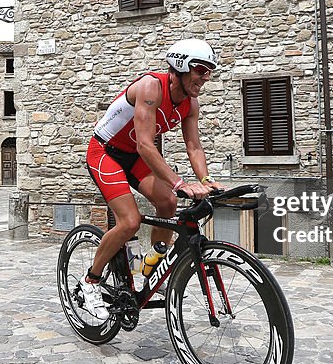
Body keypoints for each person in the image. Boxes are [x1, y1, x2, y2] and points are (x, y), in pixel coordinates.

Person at [82, 38, 226, 318]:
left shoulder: (191, 103)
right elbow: (146, 144)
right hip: (105, 152)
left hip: (133, 158)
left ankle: (151, 263)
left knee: (168, 202)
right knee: (130, 222)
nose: (204, 78)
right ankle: (92, 281)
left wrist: (206, 180)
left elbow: (194, 146)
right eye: (200, 69)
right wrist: (181, 182)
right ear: (180, 67)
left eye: (209, 71)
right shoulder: (151, 87)